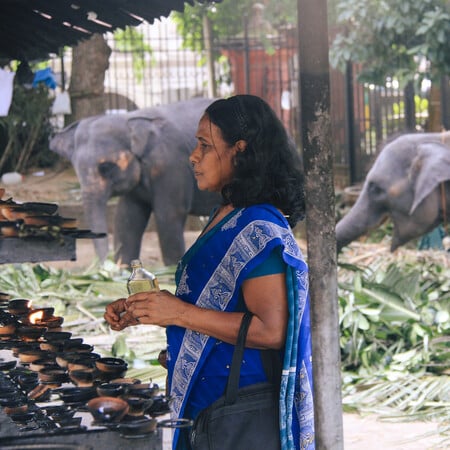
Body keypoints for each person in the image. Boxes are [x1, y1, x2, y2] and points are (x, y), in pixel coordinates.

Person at [104, 95, 315, 449]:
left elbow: (273, 330)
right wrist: (155, 312)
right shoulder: (227, 214)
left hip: (237, 411)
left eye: (205, 146)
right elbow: (218, 308)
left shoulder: (258, 225)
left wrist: (180, 314)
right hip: (210, 400)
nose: (193, 157)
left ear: (240, 150)